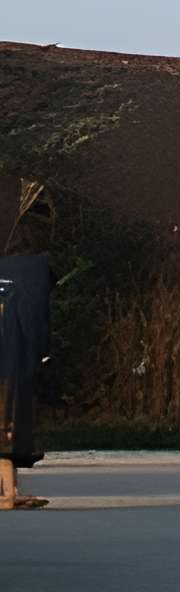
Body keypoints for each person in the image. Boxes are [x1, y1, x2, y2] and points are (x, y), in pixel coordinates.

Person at [0, 182, 49, 511]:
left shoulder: (23, 269)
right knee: (7, 422)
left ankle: (8, 490)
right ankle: (6, 493)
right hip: (12, 359)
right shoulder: (29, 269)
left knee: (9, 425)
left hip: (13, 357)